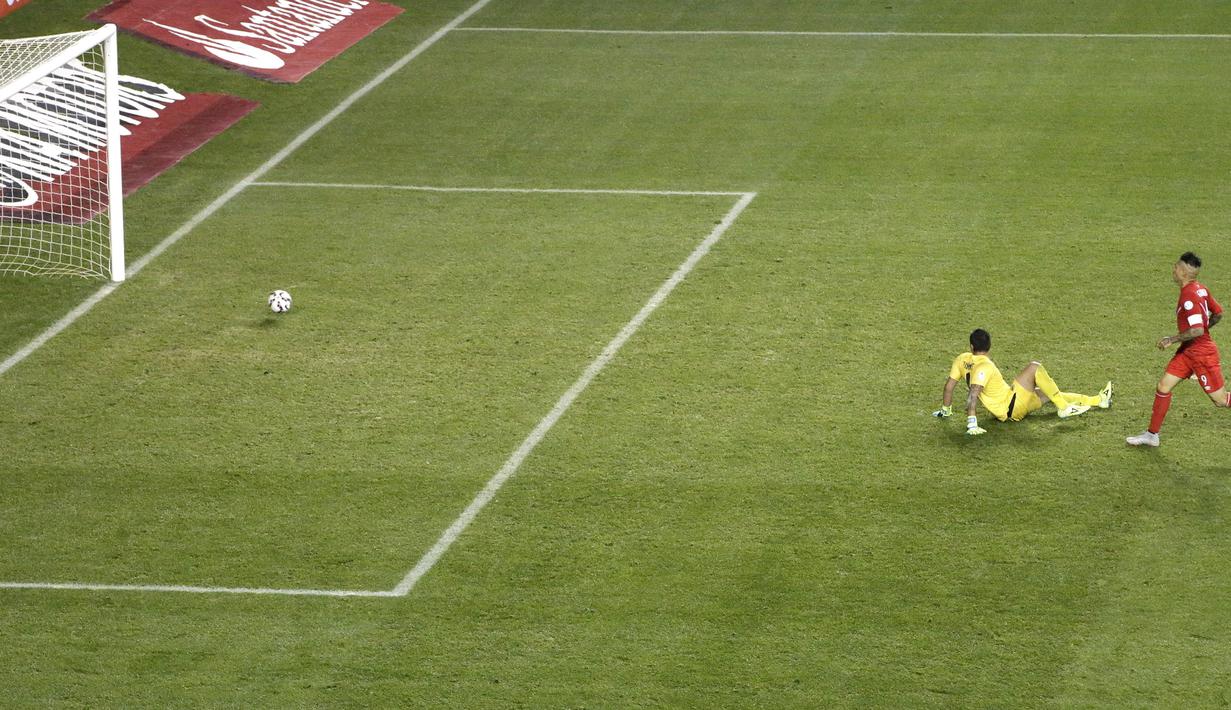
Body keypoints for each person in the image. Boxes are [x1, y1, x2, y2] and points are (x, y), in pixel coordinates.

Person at [1126, 252, 1228, 447]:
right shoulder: (1201, 289)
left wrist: (1170, 340)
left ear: (1182, 271)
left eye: (1175, 267)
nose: (1173, 270)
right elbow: (1218, 314)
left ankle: (1151, 434)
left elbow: (1197, 330)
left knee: (1221, 401)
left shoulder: (1189, 295)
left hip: (1202, 355)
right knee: (1163, 387)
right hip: (1188, 351)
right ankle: (1152, 435)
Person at [934, 328, 1112, 436]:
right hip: (1011, 405)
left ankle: (1099, 401)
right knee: (1034, 367)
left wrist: (946, 410)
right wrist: (972, 424)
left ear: (971, 347)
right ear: (989, 347)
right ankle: (1064, 409)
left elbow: (949, 387)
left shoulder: (961, 359)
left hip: (1011, 404)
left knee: (1049, 392)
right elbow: (973, 393)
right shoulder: (985, 367)